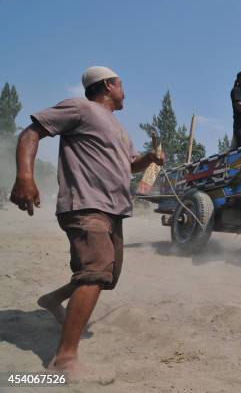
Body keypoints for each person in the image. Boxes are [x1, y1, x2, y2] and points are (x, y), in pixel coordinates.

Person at [9, 66, 164, 381]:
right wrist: (25, 175)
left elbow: (130, 165)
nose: (125, 91)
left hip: (114, 210)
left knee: (107, 275)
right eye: (122, 84)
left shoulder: (119, 128)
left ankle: (52, 299)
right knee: (95, 271)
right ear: (108, 85)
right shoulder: (80, 108)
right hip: (85, 204)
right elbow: (31, 133)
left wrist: (148, 159)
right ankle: (64, 360)